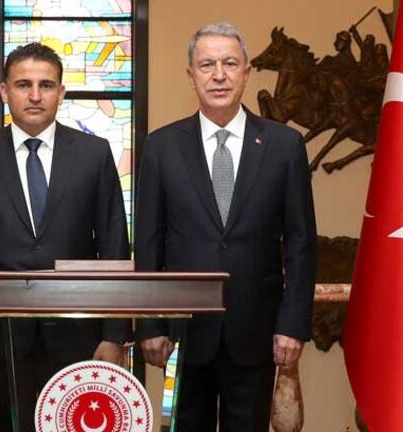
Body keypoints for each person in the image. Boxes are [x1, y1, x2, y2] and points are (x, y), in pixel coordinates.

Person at [135, 23, 317, 431]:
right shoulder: (161, 147)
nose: (219, 75)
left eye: (230, 64)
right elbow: (148, 243)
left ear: (247, 72)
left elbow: (301, 242)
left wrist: (292, 324)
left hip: (257, 333)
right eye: (207, 65)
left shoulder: (284, 146)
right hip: (181, 337)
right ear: (191, 75)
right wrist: (150, 323)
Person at [0, 42, 130, 432]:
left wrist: (115, 335)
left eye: (46, 85)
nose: (34, 95)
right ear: (4, 91)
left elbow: (114, 249)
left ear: (61, 92)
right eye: (23, 84)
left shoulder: (94, 154)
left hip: (79, 337)